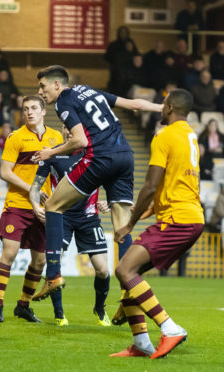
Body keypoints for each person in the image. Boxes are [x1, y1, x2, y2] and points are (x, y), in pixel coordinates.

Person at [31, 65, 162, 317]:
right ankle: (128, 295)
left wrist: (50, 152)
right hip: (125, 156)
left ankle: (53, 276)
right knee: (122, 229)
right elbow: (135, 105)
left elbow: (79, 141)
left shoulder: (64, 101)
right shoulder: (90, 91)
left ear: (57, 85)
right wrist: (163, 109)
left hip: (100, 158)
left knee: (53, 205)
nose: (40, 91)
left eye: (43, 86)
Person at [110, 89, 204, 358]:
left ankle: (170, 328)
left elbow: (150, 186)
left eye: (163, 105)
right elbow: (169, 188)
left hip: (178, 220)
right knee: (129, 272)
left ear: (171, 107)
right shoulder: (190, 136)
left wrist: (129, 224)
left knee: (125, 270)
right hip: (189, 217)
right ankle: (141, 343)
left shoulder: (165, 137)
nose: (160, 109)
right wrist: (150, 211)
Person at [30, 125, 111, 327]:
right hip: (61, 217)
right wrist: (34, 206)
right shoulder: (52, 155)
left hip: (88, 217)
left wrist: (109, 201)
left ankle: (100, 309)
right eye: (66, 128)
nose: (69, 132)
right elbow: (35, 187)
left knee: (102, 270)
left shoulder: (94, 154)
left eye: (73, 129)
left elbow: (111, 182)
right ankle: (59, 315)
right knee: (54, 265)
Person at [0, 95, 63, 323]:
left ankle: (23, 305)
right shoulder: (16, 137)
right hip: (17, 205)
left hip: (44, 208)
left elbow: (60, 171)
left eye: (33, 108)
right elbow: (5, 172)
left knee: (40, 261)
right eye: (25, 109)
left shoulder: (56, 137)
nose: (29, 112)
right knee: (9, 253)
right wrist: (32, 189)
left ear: (43, 111)